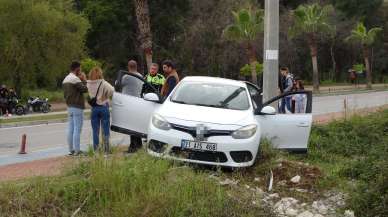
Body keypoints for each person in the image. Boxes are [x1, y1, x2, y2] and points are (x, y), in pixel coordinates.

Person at [63, 61, 88, 156]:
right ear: (77, 69)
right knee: (77, 129)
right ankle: (77, 150)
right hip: (77, 106)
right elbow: (85, 89)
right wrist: (84, 79)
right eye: (80, 69)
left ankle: (71, 150)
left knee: (70, 128)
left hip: (69, 106)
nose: (80, 71)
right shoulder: (75, 79)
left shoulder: (65, 79)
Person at [87, 67, 114, 155]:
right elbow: (112, 90)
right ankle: (106, 150)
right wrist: (106, 96)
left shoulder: (88, 83)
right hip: (103, 107)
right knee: (105, 130)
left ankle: (96, 150)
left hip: (94, 108)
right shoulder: (103, 83)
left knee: (95, 131)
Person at [121, 60, 144, 152]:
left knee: (131, 126)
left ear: (128, 67)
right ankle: (138, 145)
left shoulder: (126, 77)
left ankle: (133, 147)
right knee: (136, 125)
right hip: (138, 102)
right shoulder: (140, 76)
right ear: (136, 66)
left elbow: (118, 84)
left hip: (129, 103)